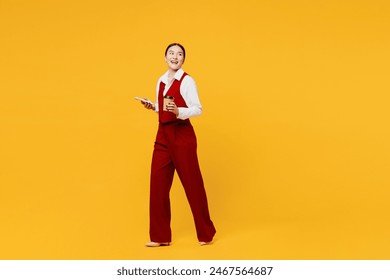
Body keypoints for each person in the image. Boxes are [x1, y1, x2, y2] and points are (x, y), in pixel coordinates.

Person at [138, 43, 216, 247]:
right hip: (163, 135)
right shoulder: (161, 81)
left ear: (183, 59)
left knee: (193, 184)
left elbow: (197, 109)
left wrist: (178, 112)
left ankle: (206, 233)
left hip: (182, 136)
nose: (175, 57)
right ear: (164, 57)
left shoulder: (187, 81)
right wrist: (152, 106)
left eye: (179, 54)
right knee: (157, 185)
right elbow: (163, 107)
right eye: (171, 53)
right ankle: (159, 236)